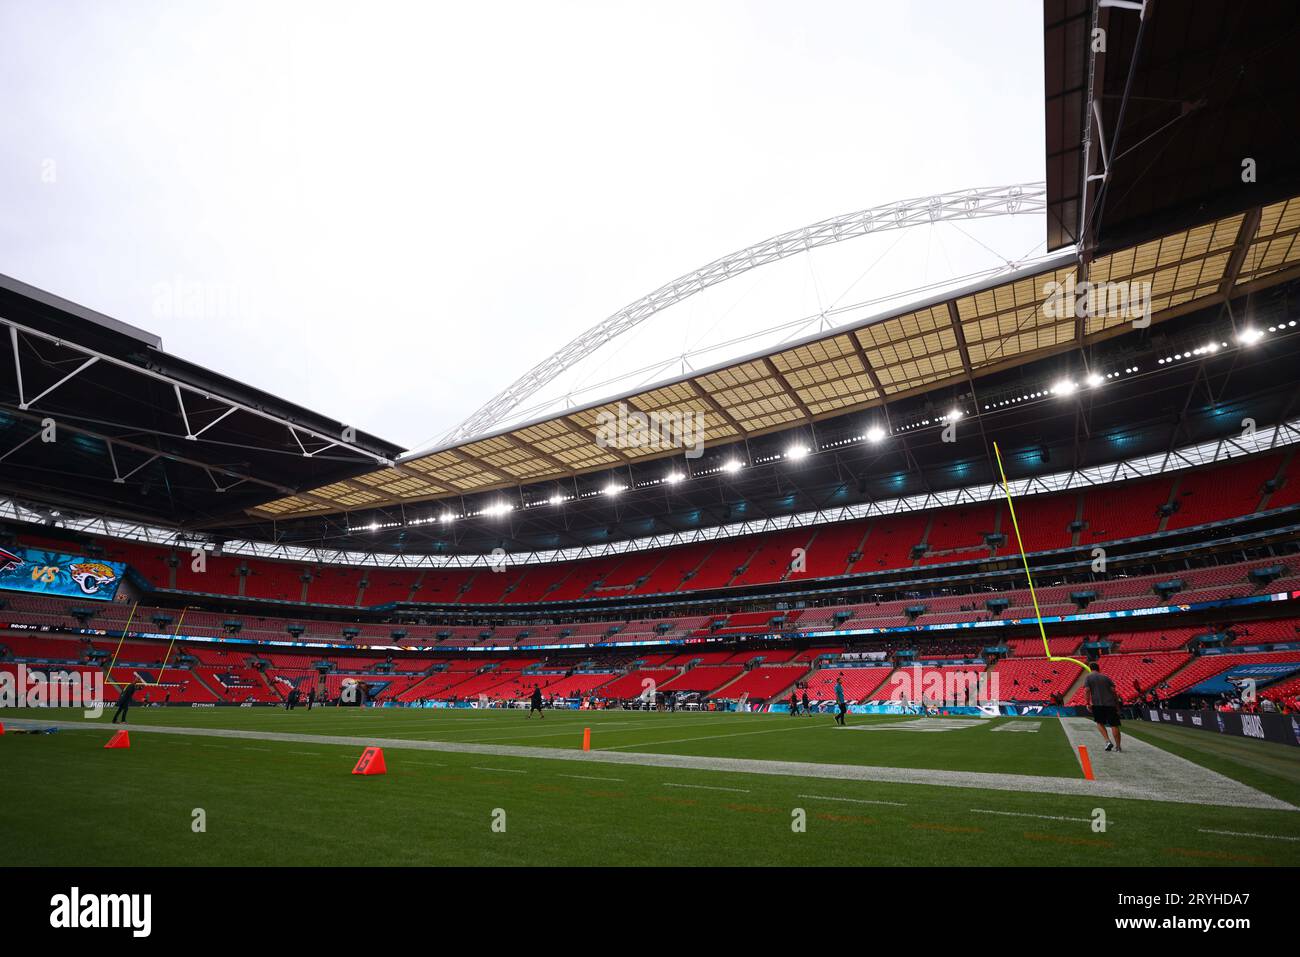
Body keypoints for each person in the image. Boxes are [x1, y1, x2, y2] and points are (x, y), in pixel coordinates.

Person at [1083, 662, 1122, 753]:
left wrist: (1087, 703)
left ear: (1090, 668)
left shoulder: (1088, 677)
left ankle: (1108, 741)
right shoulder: (1106, 677)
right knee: (1114, 725)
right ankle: (1118, 747)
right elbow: (1113, 691)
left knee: (1099, 723)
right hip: (1110, 704)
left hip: (1097, 704)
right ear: (1098, 668)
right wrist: (1116, 704)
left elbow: (1087, 690)